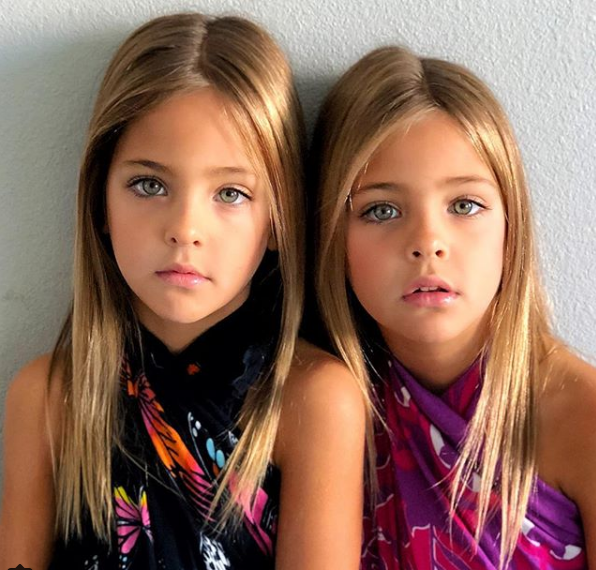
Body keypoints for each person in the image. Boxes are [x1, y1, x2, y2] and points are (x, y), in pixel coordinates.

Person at [0, 13, 366, 570]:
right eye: (149, 184)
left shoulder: (312, 400)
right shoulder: (49, 398)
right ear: (100, 202)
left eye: (231, 193)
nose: (185, 229)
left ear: (278, 219)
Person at [311, 45, 596, 569]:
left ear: (511, 225)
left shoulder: (583, 417)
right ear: (332, 237)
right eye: (381, 210)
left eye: (464, 205)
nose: (428, 242)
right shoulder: (321, 414)